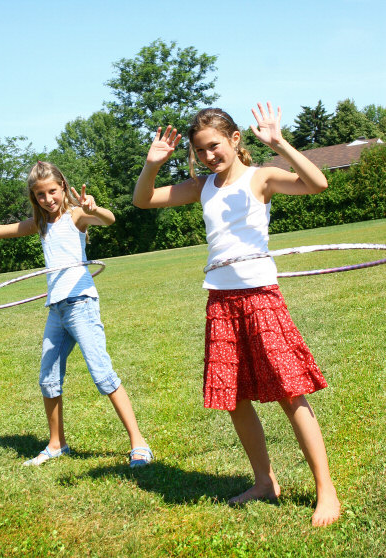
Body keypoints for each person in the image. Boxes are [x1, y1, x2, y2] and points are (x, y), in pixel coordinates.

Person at [133, 102, 340, 526]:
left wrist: (279, 142)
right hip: (221, 302)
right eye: (201, 150)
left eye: (215, 146)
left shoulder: (260, 177)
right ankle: (264, 481)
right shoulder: (201, 186)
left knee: (288, 390)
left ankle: (326, 490)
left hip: (260, 295)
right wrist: (152, 164)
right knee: (235, 398)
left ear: (234, 140)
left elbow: (317, 184)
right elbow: (143, 200)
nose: (210, 155)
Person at [0, 161, 152, 468]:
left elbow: (109, 219)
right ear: (34, 197)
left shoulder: (76, 215)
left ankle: (139, 443)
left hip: (80, 302)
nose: (48, 199)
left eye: (52, 191)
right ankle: (57, 444)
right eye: (40, 195)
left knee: (102, 374)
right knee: (48, 379)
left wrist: (94, 208)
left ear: (63, 188)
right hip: (56, 309)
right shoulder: (41, 224)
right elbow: (0, 232)